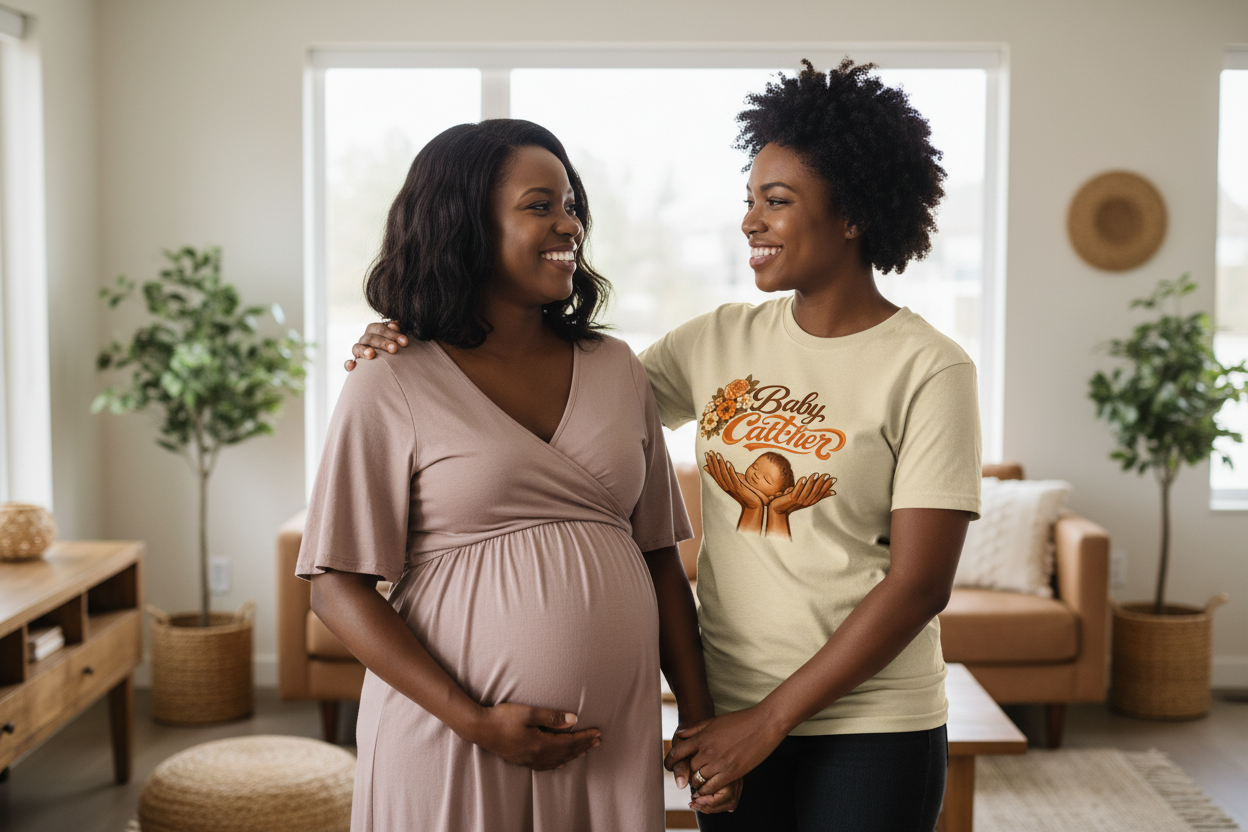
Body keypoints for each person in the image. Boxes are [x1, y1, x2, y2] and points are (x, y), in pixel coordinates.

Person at [348, 60, 981, 831]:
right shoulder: (713, 340)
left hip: (871, 722)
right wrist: (412, 334)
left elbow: (920, 584)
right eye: (749, 200)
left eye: (775, 202)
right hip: (729, 708)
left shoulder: (930, 366)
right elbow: (559, 412)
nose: (749, 221)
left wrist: (768, 722)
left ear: (852, 213)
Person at [300, 118, 734, 832]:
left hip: (610, 740)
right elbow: (335, 586)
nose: (569, 224)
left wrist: (697, 716)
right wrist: (473, 720)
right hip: (450, 738)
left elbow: (659, 559)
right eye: (541, 205)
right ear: (463, 222)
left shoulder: (617, 367)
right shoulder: (390, 380)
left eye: (572, 205)